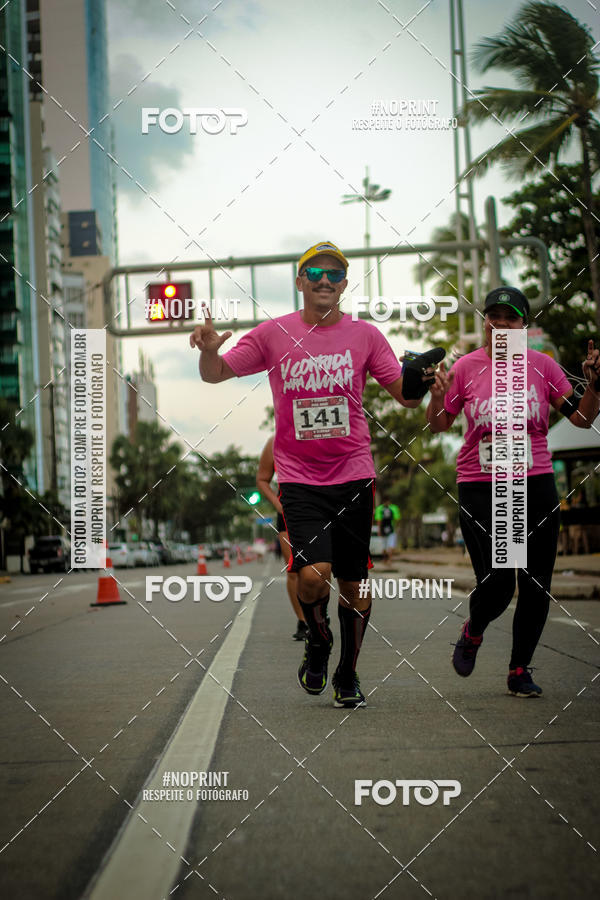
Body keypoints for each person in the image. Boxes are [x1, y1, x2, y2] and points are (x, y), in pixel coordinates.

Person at [190, 240, 435, 708]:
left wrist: (421, 381)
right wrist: (208, 350)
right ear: (300, 281)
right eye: (315, 274)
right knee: (311, 577)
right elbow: (215, 374)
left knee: (354, 584)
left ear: (344, 284)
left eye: (335, 275)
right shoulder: (272, 334)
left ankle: (347, 672)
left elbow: (404, 396)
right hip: (300, 479)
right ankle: (319, 643)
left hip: (354, 474)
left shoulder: (365, 336)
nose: (325, 281)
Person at [427, 286, 600, 697]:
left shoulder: (543, 366)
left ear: (524, 325)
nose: (501, 324)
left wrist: (595, 386)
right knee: (500, 580)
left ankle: (519, 669)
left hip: (534, 481)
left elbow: (580, 417)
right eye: (494, 317)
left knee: (536, 582)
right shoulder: (465, 368)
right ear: (485, 322)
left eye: (511, 318)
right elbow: (439, 425)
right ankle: (473, 630)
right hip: (481, 485)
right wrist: (435, 398)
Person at [256, 435, 307, 641]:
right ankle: (303, 621)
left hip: (320, 508)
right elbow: (262, 479)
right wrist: (278, 506)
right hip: (288, 512)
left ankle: (318, 614)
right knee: (294, 569)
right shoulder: (275, 441)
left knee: (318, 568)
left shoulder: (317, 433)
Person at [374, 498, 401, 564]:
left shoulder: (380, 508)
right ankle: (388, 559)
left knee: (385, 545)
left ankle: (386, 559)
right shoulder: (394, 508)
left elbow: (378, 520)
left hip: (385, 529)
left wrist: (379, 530)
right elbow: (397, 519)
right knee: (389, 546)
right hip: (390, 529)